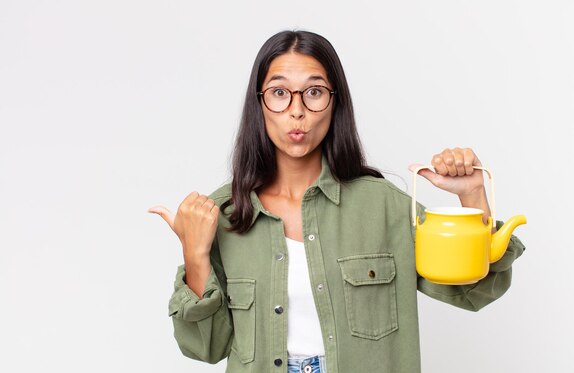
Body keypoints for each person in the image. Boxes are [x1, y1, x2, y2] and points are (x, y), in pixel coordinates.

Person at [148, 30, 525, 373]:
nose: (297, 111)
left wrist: (473, 195)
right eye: (280, 93)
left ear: (334, 102)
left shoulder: (383, 207)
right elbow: (205, 348)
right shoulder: (225, 215)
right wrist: (194, 255)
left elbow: (476, 290)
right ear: (259, 104)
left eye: (313, 92)